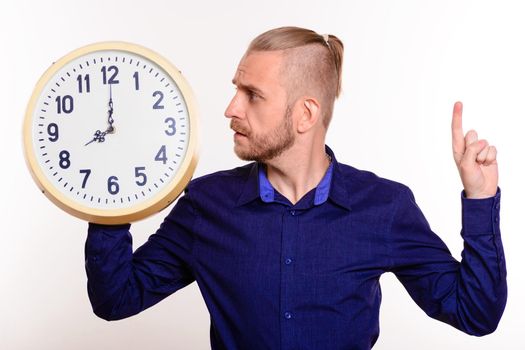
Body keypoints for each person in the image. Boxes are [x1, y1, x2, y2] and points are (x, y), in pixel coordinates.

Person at [85, 27, 507, 349]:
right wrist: (111, 192)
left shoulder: (384, 207)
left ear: (306, 114)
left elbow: (474, 313)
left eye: (252, 95)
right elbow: (117, 299)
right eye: (236, 89)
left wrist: (480, 199)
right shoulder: (206, 205)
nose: (231, 109)